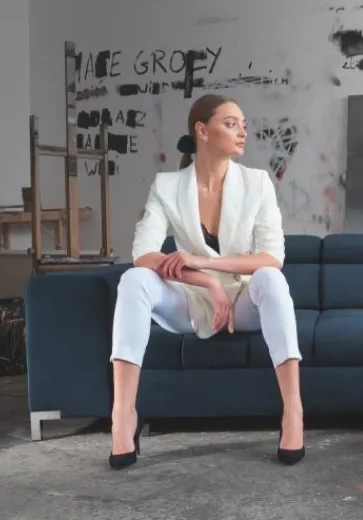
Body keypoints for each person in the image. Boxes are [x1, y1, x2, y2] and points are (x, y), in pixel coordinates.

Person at [108, 93, 305, 469]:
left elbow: (272, 257)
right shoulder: (167, 186)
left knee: (272, 280)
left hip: (242, 301)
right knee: (134, 280)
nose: (242, 132)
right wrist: (207, 282)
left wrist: (205, 261)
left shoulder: (257, 182)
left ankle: (293, 411)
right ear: (202, 130)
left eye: (243, 125)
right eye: (231, 124)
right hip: (189, 300)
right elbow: (144, 255)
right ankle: (123, 415)